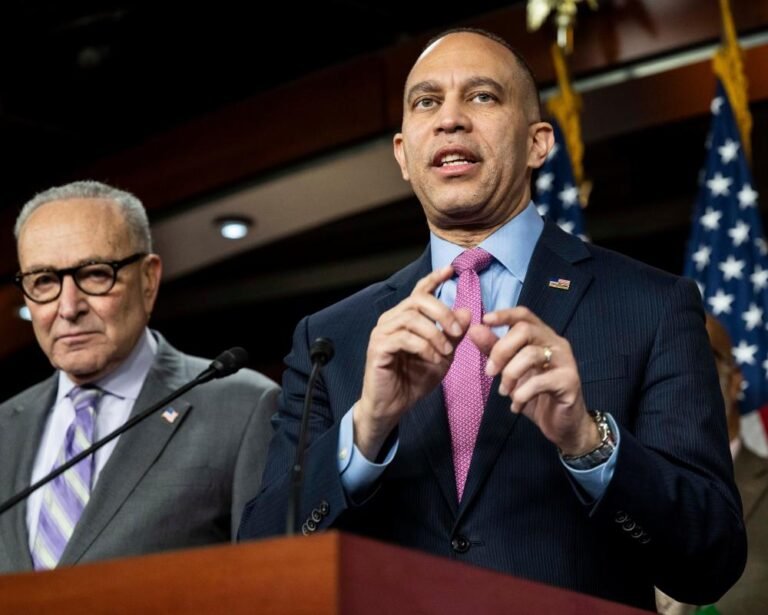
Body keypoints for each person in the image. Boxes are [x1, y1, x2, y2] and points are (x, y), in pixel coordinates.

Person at [238, 29, 746, 610]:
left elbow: (711, 561)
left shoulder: (652, 306)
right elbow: (259, 567)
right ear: (403, 154)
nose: (450, 119)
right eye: (427, 102)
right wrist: (367, 428)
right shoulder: (331, 338)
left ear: (537, 143)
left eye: (482, 96)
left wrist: (588, 441)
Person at [0, 180, 279, 573]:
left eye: (95, 274)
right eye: (44, 281)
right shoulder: (4, 429)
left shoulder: (243, 407)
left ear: (149, 279)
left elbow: (273, 580)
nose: (68, 307)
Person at [657, 314, 768, 614]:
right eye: (664, 356)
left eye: (697, 352)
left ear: (735, 381)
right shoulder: (611, 479)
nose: (678, 368)